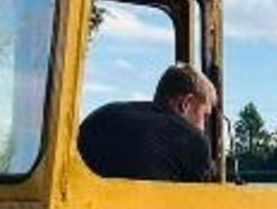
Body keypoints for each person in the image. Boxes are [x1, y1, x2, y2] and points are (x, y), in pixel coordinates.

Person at [78, 64, 217, 181]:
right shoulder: (191, 140)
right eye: (204, 115)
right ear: (186, 103)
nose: (203, 127)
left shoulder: (100, 116)